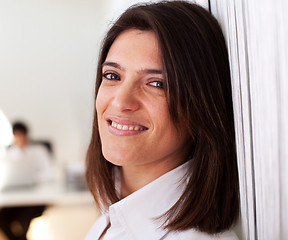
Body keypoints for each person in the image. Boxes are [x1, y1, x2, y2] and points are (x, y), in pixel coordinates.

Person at [85, 1, 239, 239]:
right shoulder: (114, 214)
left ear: (201, 105)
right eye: (112, 75)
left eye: (157, 84)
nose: (120, 102)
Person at [0, 121, 54, 240]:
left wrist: (32, 177)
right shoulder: (7, 154)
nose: (20, 138)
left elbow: (50, 173)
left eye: (22, 135)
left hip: (35, 199)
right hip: (14, 200)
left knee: (23, 220)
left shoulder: (39, 150)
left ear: (27, 135)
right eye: (17, 135)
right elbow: (1, 175)